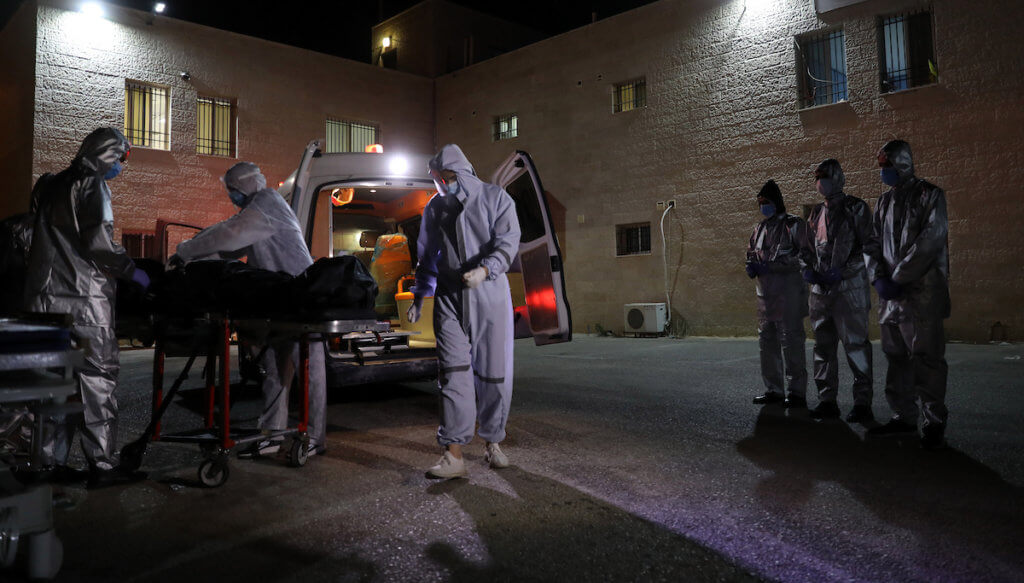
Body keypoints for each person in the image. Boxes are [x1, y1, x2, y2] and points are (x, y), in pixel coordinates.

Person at [172, 162, 327, 457]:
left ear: (244, 187)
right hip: (282, 301)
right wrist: (191, 254)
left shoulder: (267, 204)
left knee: (309, 372)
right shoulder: (257, 209)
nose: (231, 195)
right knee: (276, 370)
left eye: (232, 190)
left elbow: (230, 234)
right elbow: (229, 242)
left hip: (300, 300)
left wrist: (186, 252)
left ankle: (315, 438)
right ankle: (272, 434)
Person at [23, 127, 151, 486]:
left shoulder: (48, 184)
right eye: (122, 158)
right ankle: (103, 464)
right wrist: (133, 273)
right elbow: (99, 244)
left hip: (40, 299)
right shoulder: (92, 184)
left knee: (52, 381)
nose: (121, 167)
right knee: (97, 377)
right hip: (82, 300)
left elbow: (32, 233)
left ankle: (46, 462)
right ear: (109, 154)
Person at [408, 144, 521, 478]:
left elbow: (508, 242)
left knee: (493, 374)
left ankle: (493, 442)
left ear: (464, 173)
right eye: (439, 179)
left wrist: (486, 270)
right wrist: (419, 296)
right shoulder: (435, 208)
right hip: (449, 297)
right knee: (453, 374)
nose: (444, 184)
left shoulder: (496, 198)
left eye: (449, 177)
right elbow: (426, 255)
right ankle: (453, 454)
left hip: (489, 296)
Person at [864, 140, 950, 449]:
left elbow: (930, 239)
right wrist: (878, 277)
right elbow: (872, 243)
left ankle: (934, 421)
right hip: (891, 296)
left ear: (902, 163)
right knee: (896, 357)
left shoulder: (930, 195)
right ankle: (903, 415)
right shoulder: (884, 202)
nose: (884, 172)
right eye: (881, 167)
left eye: (887, 166)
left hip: (921, 295)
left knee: (926, 358)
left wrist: (898, 276)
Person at [803, 159, 874, 423]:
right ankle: (827, 400)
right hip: (821, 293)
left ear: (838, 177)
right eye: (817, 176)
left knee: (856, 346)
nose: (820, 181)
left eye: (825, 175)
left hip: (849, 291)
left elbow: (868, 246)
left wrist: (843, 271)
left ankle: (863, 402)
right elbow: (807, 249)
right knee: (823, 348)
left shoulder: (856, 208)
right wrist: (808, 270)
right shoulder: (815, 214)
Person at [746, 180, 809, 409]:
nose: (763, 206)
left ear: (777, 202)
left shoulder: (794, 225)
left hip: (788, 297)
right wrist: (751, 266)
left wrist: (771, 266)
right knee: (767, 345)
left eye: (767, 202)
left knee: (792, 344)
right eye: (760, 203)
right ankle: (773, 389)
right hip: (765, 299)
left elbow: (805, 257)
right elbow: (751, 254)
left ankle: (796, 393)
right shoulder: (759, 229)